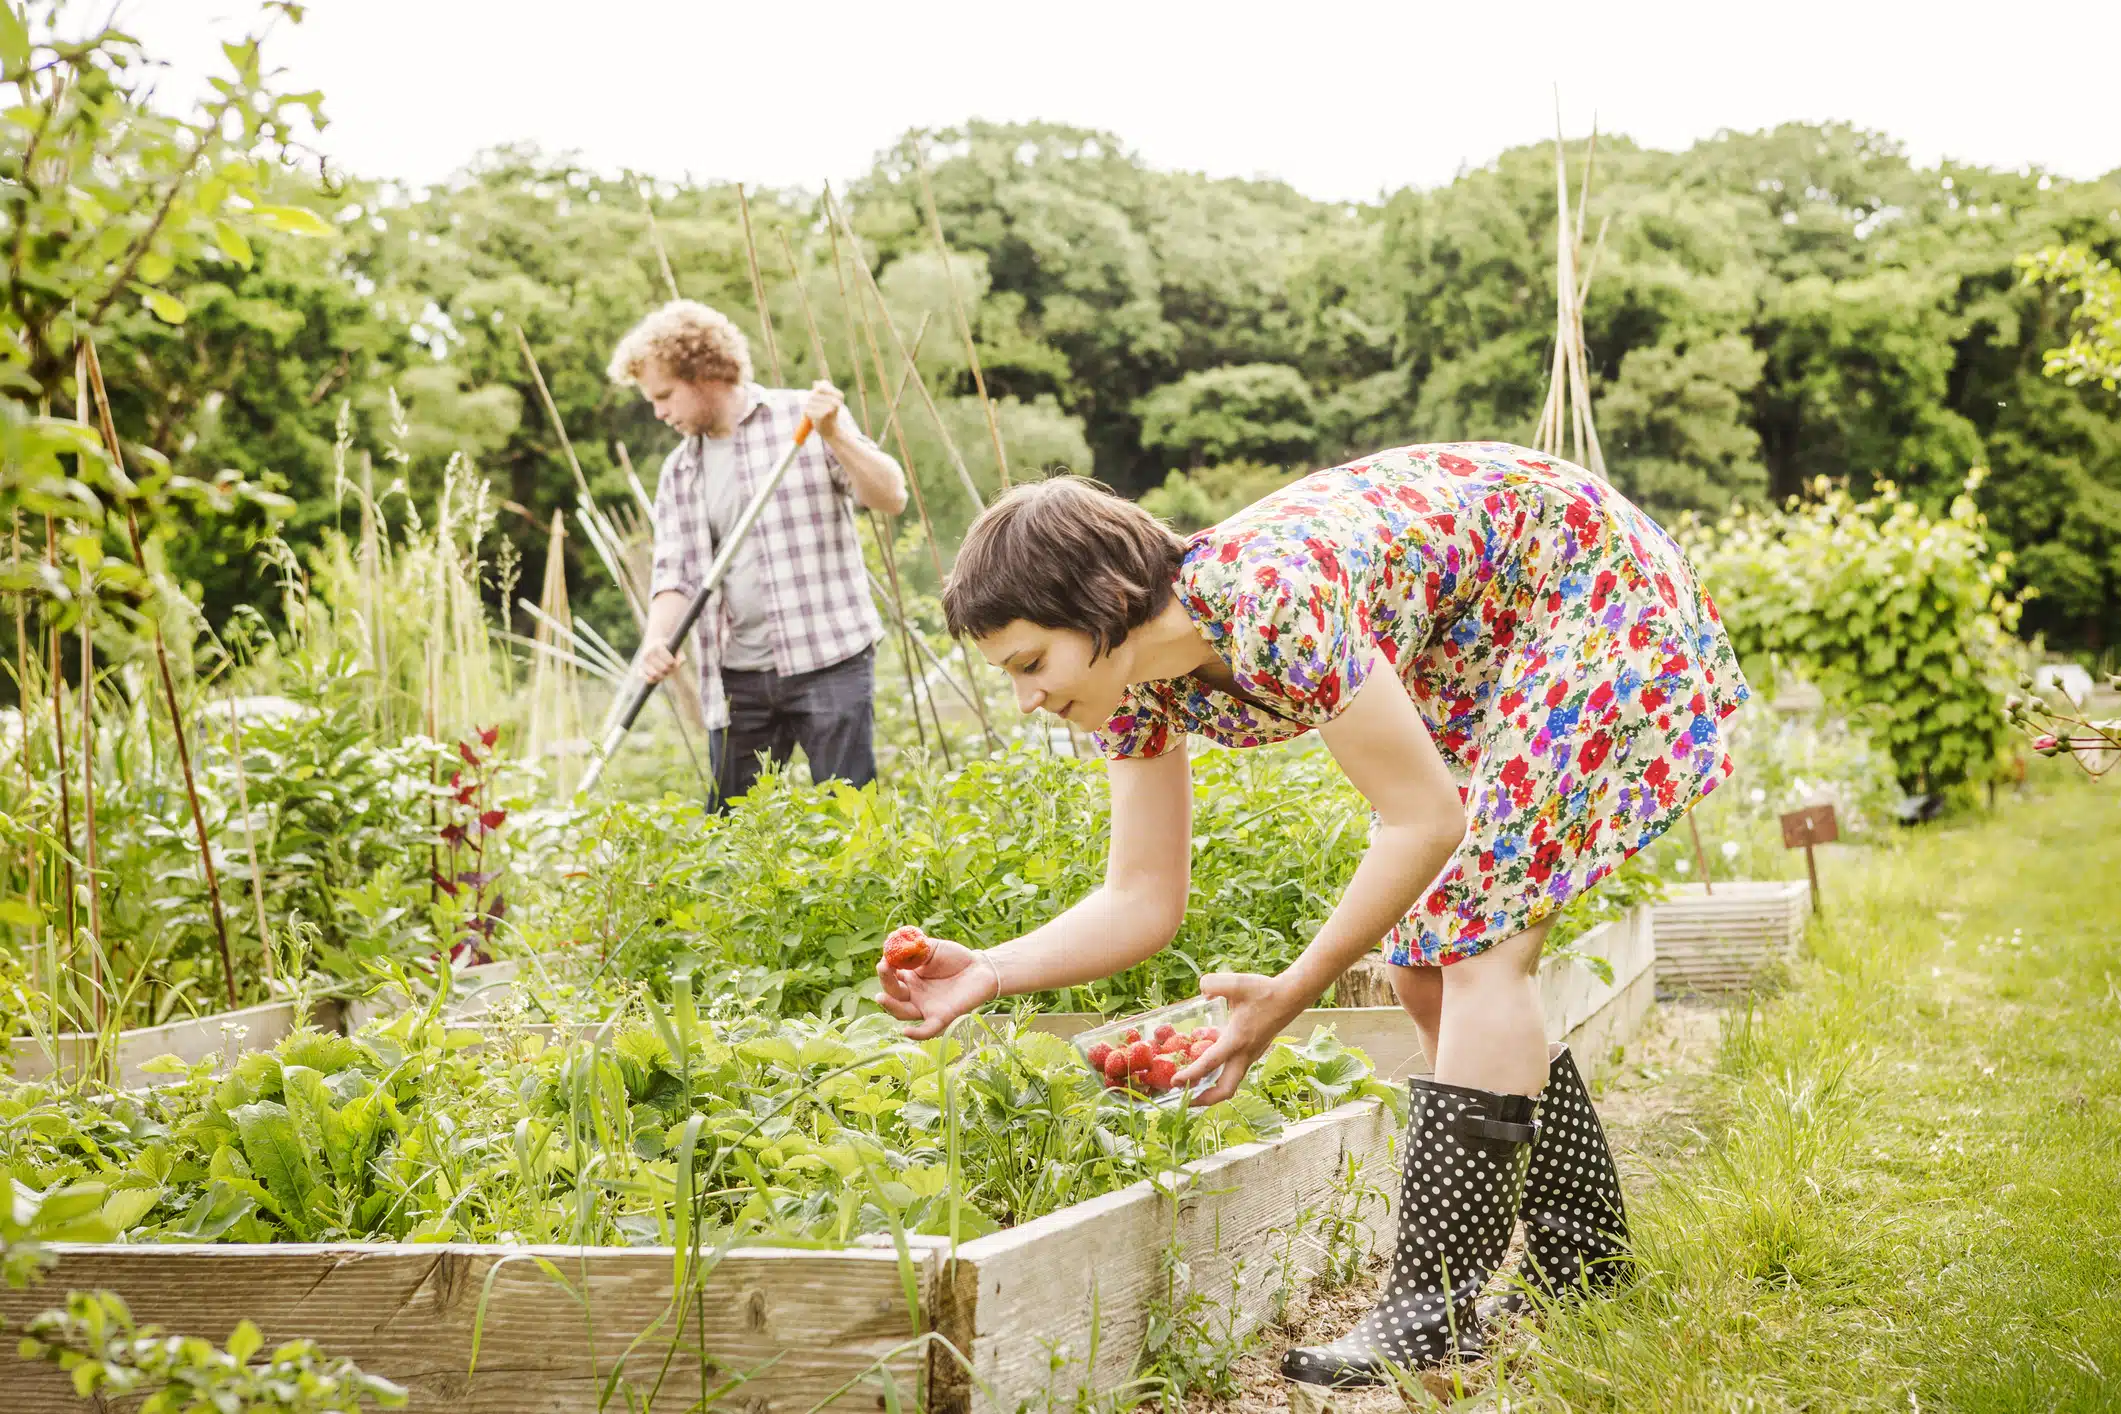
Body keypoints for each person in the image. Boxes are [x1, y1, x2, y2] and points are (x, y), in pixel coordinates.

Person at [875, 442, 1748, 1387]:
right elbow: (1139, 900)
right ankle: (1584, 1261)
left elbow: (1423, 819)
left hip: (1586, 585)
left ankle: (1429, 1308)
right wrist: (992, 970)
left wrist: (1289, 992)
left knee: (1474, 944)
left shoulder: (1269, 598)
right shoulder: (1130, 690)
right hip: (1485, 634)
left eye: (1031, 661)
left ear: (1102, 605)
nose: (1027, 696)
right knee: (1423, 962)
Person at [607, 300, 908, 805]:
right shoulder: (681, 472)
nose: (659, 412)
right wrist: (660, 640)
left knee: (852, 821)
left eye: (665, 395)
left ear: (703, 373)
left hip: (828, 659)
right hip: (738, 679)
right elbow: (676, 575)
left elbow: (890, 496)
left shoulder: (806, 421)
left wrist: (835, 435)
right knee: (732, 834)